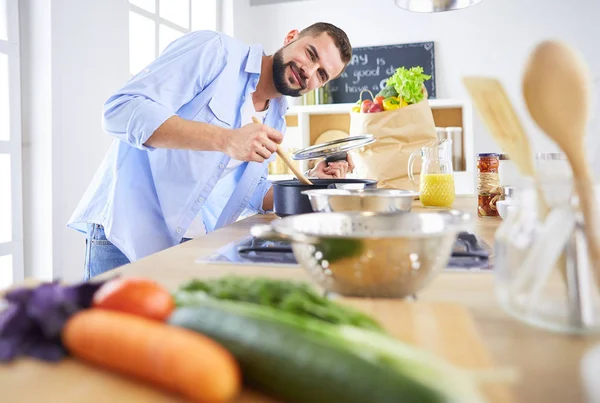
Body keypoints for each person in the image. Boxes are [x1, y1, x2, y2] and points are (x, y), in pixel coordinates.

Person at [67, 22, 355, 280]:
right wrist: (226, 139)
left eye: (321, 75)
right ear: (291, 37)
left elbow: (251, 192)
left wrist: (310, 181)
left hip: (184, 245)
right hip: (122, 236)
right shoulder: (216, 52)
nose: (308, 71)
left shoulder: (277, 116)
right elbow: (120, 110)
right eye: (311, 54)